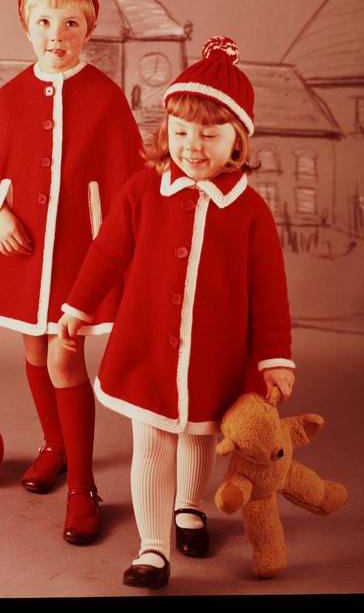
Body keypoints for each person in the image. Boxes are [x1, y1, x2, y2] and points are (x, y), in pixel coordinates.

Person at [57, 36, 296, 587]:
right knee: (152, 441)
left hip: (216, 353)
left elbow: (271, 292)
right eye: (181, 132)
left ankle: (190, 504)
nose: (192, 146)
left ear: (238, 140)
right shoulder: (143, 189)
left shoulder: (252, 212)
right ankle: (152, 548)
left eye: (210, 135)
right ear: (167, 132)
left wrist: (274, 359)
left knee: (200, 436)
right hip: (146, 349)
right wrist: (78, 307)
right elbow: (107, 254)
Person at [0, 0, 143, 544]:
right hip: (26, 253)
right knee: (33, 346)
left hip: (80, 255)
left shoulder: (105, 96)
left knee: (64, 358)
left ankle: (83, 487)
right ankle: (54, 446)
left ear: (89, 28)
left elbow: (127, 181)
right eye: (44, 21)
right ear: (27, 26)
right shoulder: (11, 95)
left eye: (70, 22)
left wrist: (115, 245)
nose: (57, 33)